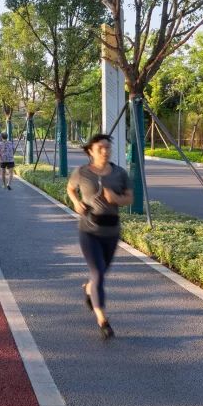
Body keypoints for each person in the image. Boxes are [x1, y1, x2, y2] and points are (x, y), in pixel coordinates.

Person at [67, 133, 133, 340]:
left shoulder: (120, 173)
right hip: (89, 230)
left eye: (107, 148)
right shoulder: (82, 172)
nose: (105, 151)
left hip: (112, 231)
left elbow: (129, 198)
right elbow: (70, 188)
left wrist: (116, 199)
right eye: (100, 148)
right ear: (91, 151)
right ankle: (103, 320)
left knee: (101, 272)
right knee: (98, 274)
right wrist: (76, 202)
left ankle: (89, 288)